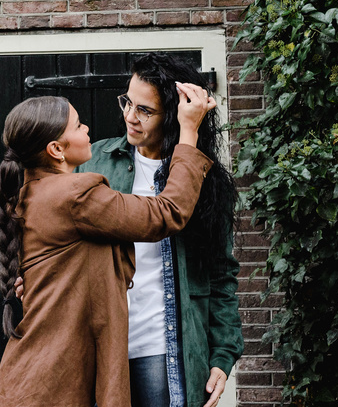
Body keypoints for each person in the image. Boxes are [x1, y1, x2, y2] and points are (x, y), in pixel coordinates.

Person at [0, 85, 216, 407]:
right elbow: (167, 213)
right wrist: (189, 132)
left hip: (33, 379)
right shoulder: (74, 194)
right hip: (50, 386)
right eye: (79, 125)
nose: (87, 130)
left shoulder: (33, 193)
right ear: (57, 149)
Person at [80, 53, 243, 407]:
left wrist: (223, 354)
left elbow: (221, 274)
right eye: (127, 102)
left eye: (145, 110)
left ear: (173, 115)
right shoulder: (93, 162)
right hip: (98, 347)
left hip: (165, 349)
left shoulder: (204, 181)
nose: (129, 116)